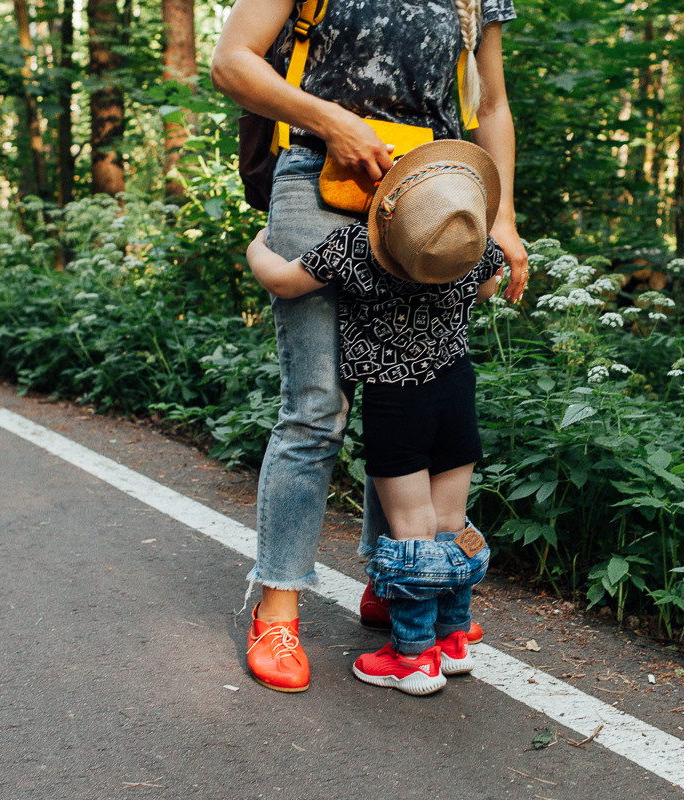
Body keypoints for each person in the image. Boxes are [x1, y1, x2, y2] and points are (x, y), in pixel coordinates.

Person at [212, 0, 529, 692]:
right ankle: (279, 606)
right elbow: (231, 61)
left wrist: (500, 213)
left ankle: (397, 583)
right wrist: (331, 121)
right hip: (321, 178)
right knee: (317, 406)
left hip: (436, 196)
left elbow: (493, 102)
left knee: (411, 384)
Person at [246, 140, 497, 694]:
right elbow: (488, 285)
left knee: (411, 535)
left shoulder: (356, 248)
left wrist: (257, 247)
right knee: (450, 527)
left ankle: (411, 656)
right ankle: (453, 640)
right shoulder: (472, 246)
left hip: (397, 404)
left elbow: (283, 282)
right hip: (455, 393)